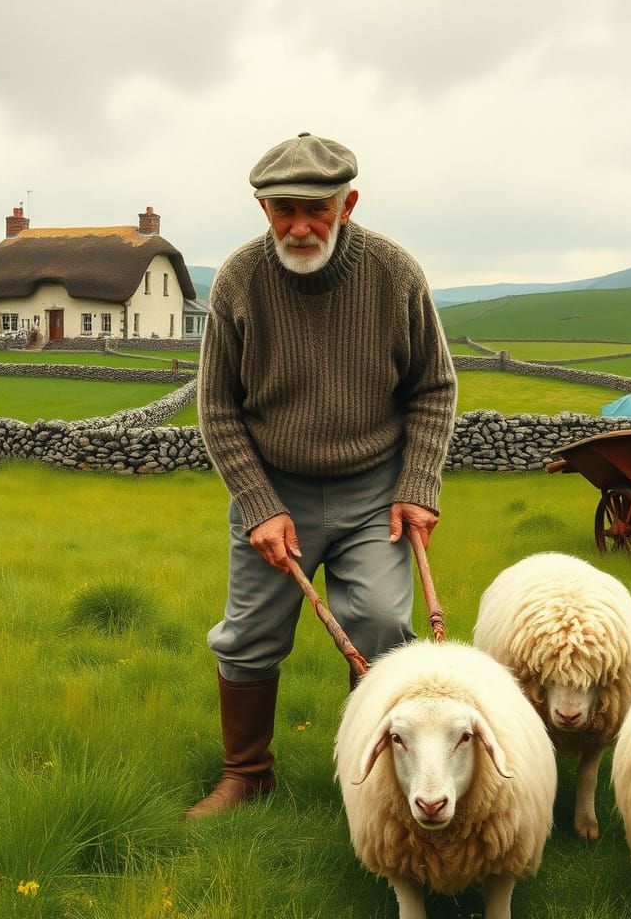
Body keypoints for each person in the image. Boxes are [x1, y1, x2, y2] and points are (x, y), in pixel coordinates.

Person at [187, 132, 457, 819]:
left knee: (380, 623)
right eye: (283, 209)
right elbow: (217, 407)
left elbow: (433, 386)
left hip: (375, 488)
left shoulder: (395, 274)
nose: (300, 225)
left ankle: (372, 783)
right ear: (262, 207)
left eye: (318, 208)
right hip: (276, 488)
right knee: (248, 636)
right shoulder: (240, 281)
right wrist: (257, 504)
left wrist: (417, 486)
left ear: (349, 203)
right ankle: (247, 774)